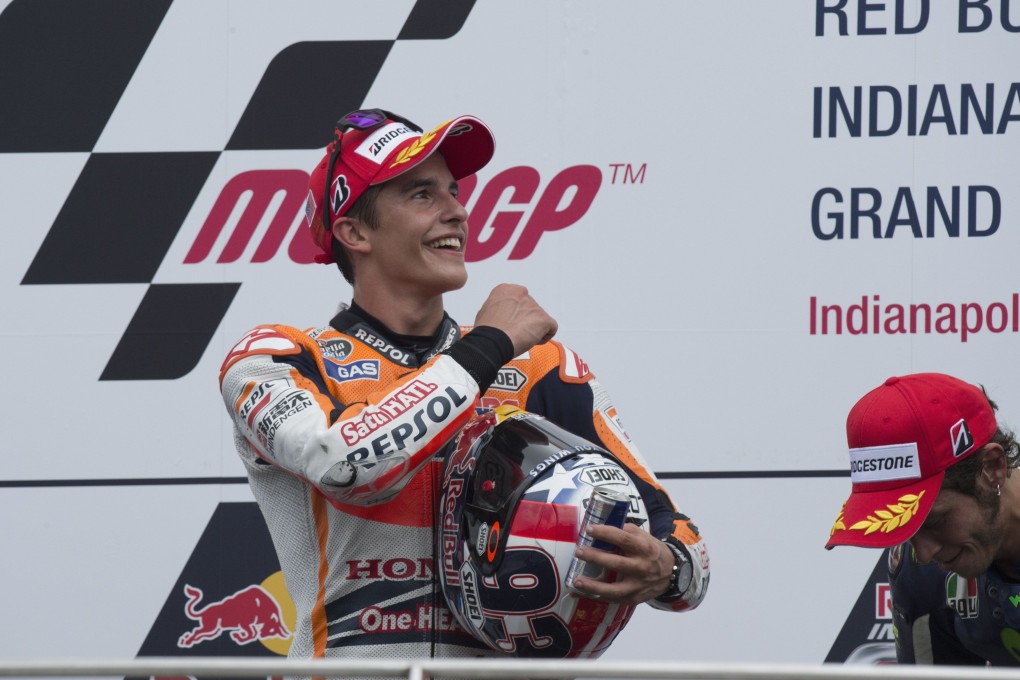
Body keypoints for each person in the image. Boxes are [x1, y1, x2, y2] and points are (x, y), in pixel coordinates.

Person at [218, 108, 709, 663]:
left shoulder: (540, 367)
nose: (457, 211)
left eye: (454, 191)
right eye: (422, 195)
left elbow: (680, 537)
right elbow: (348, 466)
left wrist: (667, 568)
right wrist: (489, 344)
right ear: (354, 232)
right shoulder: (276, 358)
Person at [825, 372, 1020, 665]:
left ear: (993, 468)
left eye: (935, 521)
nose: (925, 552)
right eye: (907, 528)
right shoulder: (919, 572)